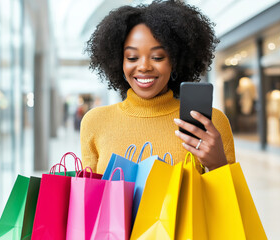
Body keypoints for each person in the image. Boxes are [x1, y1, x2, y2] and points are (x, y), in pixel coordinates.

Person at [81, 0, 235, 174]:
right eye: (132, 58)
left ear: (174, 62)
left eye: (158, 57)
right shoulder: (95, 121)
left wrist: (218, 165)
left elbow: (232, 200)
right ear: (119, 63)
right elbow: (89, 198)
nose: (144, 66)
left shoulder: (211, 123)